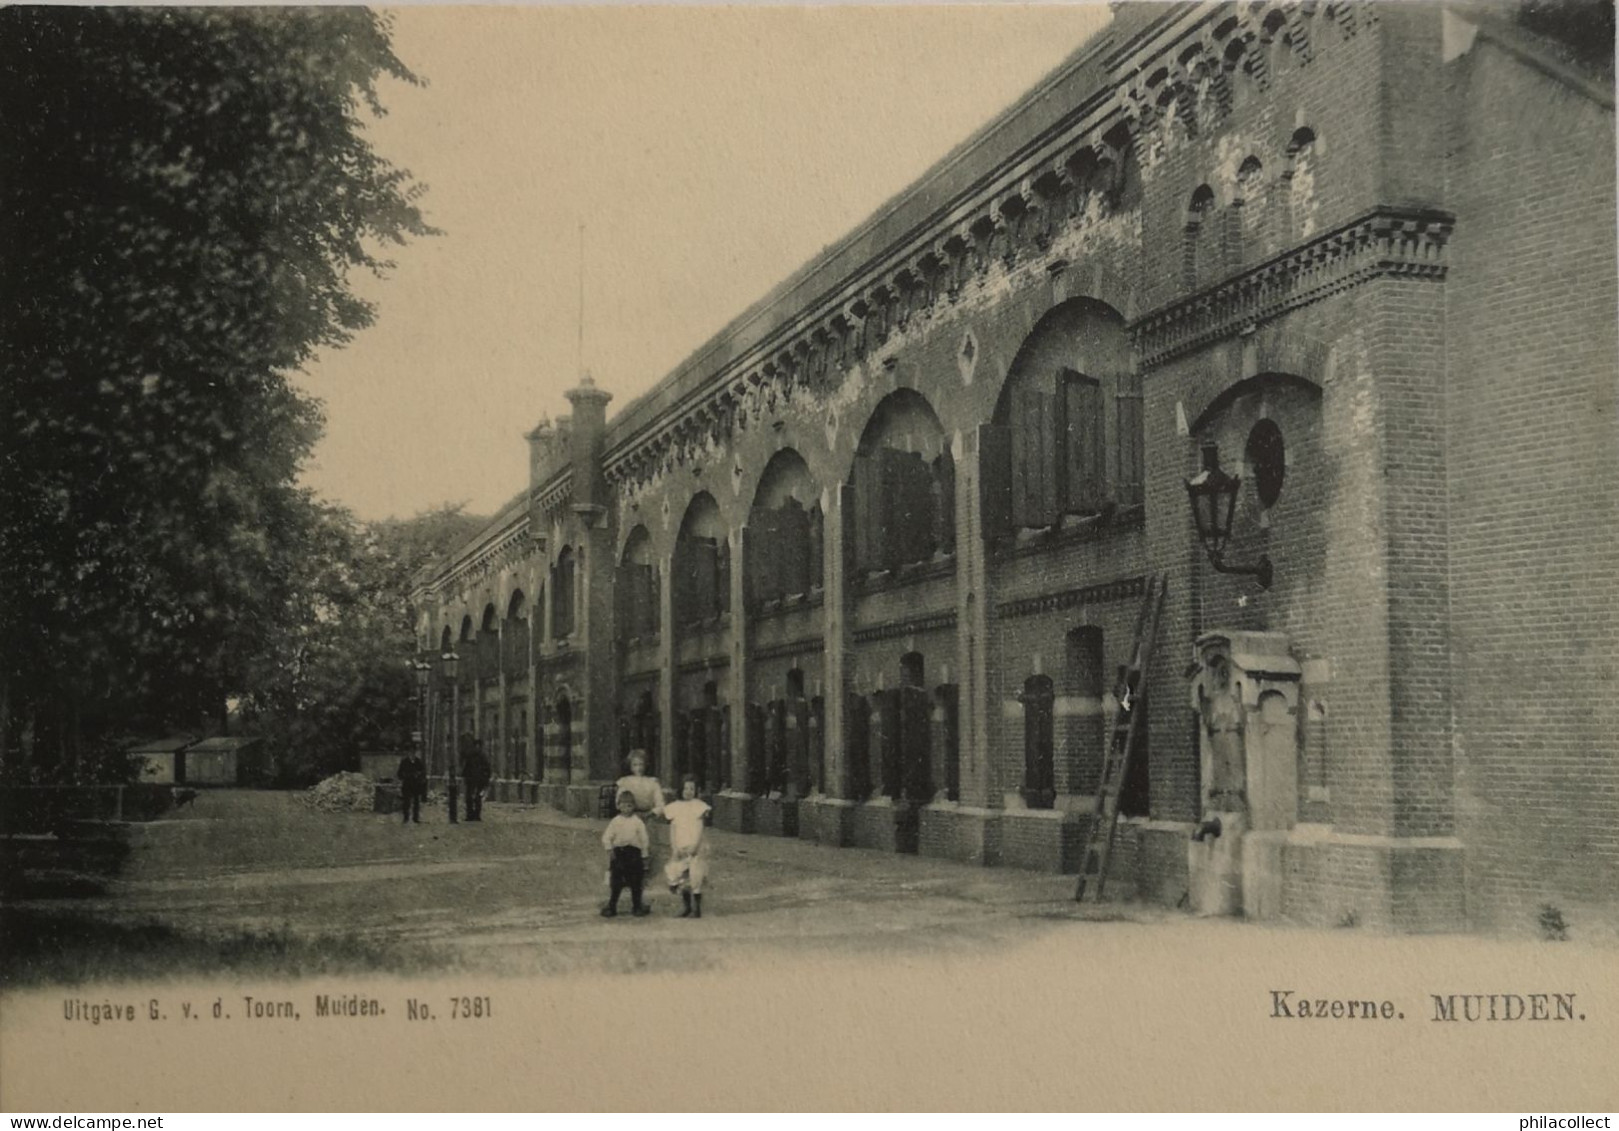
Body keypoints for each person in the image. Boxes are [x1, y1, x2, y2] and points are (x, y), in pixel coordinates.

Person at [662, 774, 712, 918]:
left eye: (692, 788)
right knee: (680, 875)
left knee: (695, 876)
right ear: (680, 789)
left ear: (696, 790)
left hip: (695, 846)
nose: (688, 791)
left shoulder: (698, 806)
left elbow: (700, 827)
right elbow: (673, 828)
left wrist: (695, 845)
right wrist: (674, 848)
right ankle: (686, 906)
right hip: (681, 846)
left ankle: (697, 908)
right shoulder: (675, 807)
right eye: (685, 788)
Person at [600, 790, 651, 918]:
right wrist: (609, 849)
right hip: (619, 854)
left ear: (633, 807)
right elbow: (607, 836)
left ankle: (637, 906)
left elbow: (644, 839)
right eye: (623, 805)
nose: (626, 809)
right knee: (616, 882)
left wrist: (644, 855)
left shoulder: (637, 822)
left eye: (629, 806)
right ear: (618, 806)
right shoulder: (615, 821)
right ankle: (612, 906)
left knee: (636, 882)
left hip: (634, 854)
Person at [462, 738, 492, 822]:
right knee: (472, 798)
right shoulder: (474, 756)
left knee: (476, 798)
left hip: (478, 780)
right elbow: (466, 768)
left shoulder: (480, 757)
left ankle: (474, 815)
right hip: (473, 780)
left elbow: (487, 769)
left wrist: (486, 779)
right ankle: (472, 814)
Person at [396, 749, 427, 824]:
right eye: (410, 753)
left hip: (416, 784)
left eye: (413, 753)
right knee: (406, 802)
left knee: (416, 802)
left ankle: (415, 818)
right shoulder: (404, 762)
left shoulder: (418, 762)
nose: (412, 754)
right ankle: (406, 818)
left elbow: (423, 772)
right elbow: (399, 773)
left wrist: (419, 776)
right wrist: (405, 775)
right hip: (407, 784)